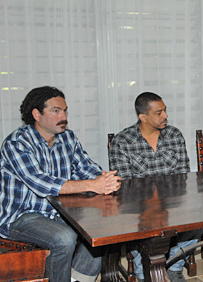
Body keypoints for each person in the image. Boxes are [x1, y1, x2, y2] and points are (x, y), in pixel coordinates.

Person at [0, 86, 122, 282]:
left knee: (105, 227)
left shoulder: (68, 137)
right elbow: (40, 183)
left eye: (65, 111)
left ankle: (78, 279)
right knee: (63, 238)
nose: (63, 116)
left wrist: (105, 180)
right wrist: (92, 185)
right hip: (20, 216)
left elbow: (86, 167)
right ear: (36, 114)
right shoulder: (17, 142)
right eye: (56, 111)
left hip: (61, 212)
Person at [109, 92, 196, 282]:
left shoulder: (174, 135)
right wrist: (152, 206)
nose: (165, 116)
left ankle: (174, 266)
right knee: (143, 225)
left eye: (165, 111)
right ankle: (144, 273)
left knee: (200, 220)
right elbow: (125, 185)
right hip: (139, 206)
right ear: (143, 117)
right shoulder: (123, 141)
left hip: (172, 202)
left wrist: (167, 203)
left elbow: (183, 174)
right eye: (159, 113)